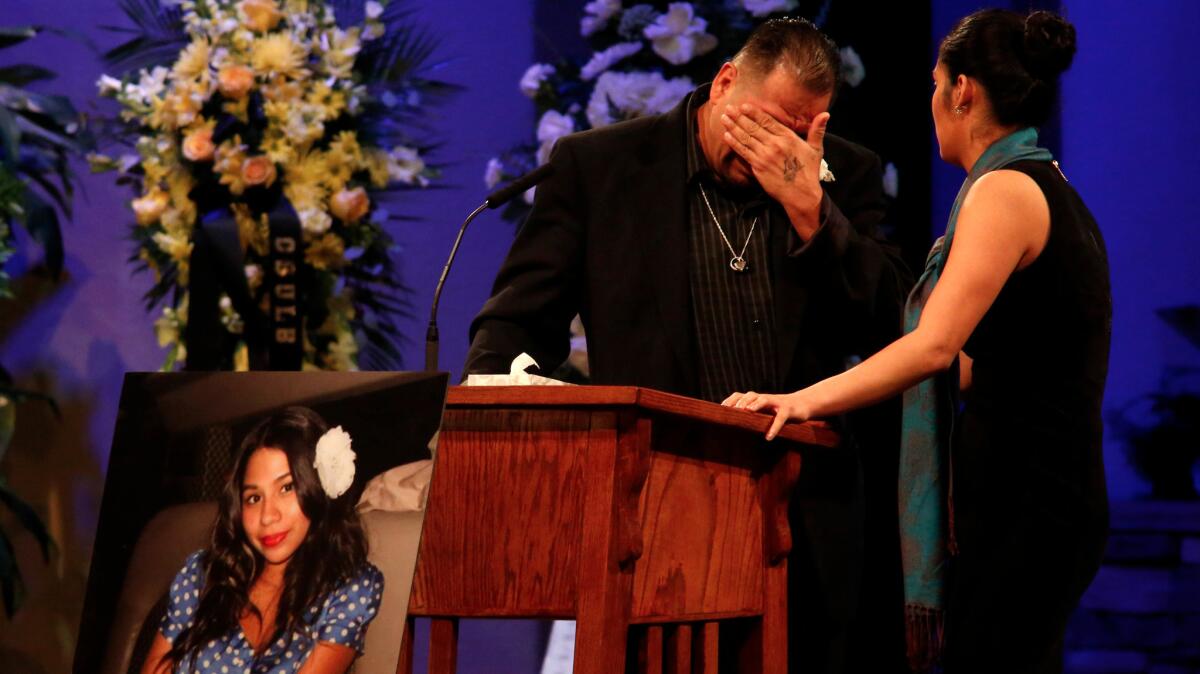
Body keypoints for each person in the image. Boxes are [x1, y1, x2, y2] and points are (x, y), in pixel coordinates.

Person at [466, 17, 913, 674]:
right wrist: (496, 425)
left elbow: (894, 329)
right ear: (725, 81)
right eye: (759, 125)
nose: (770, 152)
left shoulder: (840, 174)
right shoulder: (600, 168)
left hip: (799, 525)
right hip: (651, 520)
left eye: (796, 136)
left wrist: (813, 211)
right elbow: (515, 324)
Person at [725, 9, 1109, 674]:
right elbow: (975, 367)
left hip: (1029, 498)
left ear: (962, 90)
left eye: (935, 83)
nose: (930, 100)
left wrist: (801, 400)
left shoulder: (1004, 190)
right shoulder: (1038, 181)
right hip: (1040, 493)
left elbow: (935, 347)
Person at [141, 407, 384, 674]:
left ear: (318, 489)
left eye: (286, 488)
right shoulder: (202, 575)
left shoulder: (348, 588)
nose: (268, 516)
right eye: (254, 498)